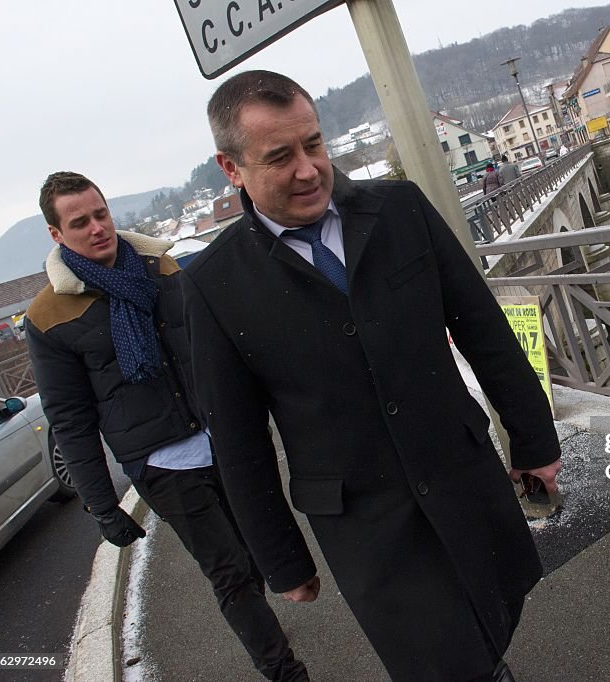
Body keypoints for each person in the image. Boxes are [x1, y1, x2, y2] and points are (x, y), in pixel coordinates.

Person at [181, 70, 562, 681]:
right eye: (280, 157)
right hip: (366, 524)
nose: (308, 169)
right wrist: (281, 557)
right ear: (232, 169)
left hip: (461, 472)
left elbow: (483, 330)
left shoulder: (401, 210)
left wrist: (534, 439)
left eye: (314, 144)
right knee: (439, 662)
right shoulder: (213, 283)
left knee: (495, 611)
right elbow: (239, 439)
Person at [25, 172, 308, 681]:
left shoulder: (161, 267)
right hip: (161, 462)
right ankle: (284, 671)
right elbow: (70, 419)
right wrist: (101, 504)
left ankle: (261, 626)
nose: (96, 228)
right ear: (56, 234)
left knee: (253, 549)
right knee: (228, 572)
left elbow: (216, 345)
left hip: (224, 438)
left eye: (100, 214)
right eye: (79, 222)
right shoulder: (48, 317)